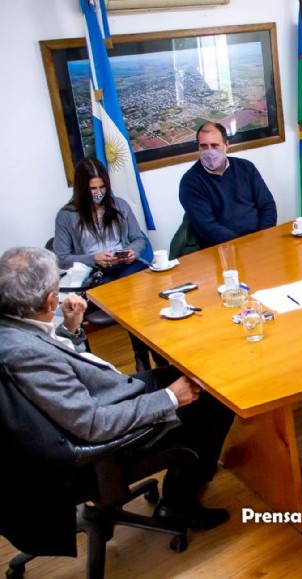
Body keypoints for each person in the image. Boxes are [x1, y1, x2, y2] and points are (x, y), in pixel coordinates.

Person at [0, 247, 234, 531]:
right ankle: (177, 504)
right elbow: (92, 424)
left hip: (103, 395)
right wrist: (170, 397)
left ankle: (195, 471)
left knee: (193, 375)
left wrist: (70, 330)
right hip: (100, 436)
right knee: (215, 399)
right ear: (51, 301)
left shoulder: (12, 329)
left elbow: (58, 370)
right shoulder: (25, 355)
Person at [53, 157, 163, 372]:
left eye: (102, 187)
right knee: (132, 300)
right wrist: (92, 258)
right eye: (92, 188)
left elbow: (139, 238)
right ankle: (143, 357)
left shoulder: (119, 205)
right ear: (81, 188)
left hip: (126, 266)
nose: (98, 192)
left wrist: (134, 251)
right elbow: (62, 257)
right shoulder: (66, 216)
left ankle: (152, 356)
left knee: (146, 294)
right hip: (96, 273)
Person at [179, 122, 277, 249]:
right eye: (204, 146)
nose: (209, 151)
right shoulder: (190, 182)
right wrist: (242, 245)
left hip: (260, 241)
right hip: (221, 249)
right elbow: (207, 227)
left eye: (215, 146)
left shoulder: (246, 167)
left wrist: (263, 236)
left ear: (227, 145)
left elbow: (267, 205)